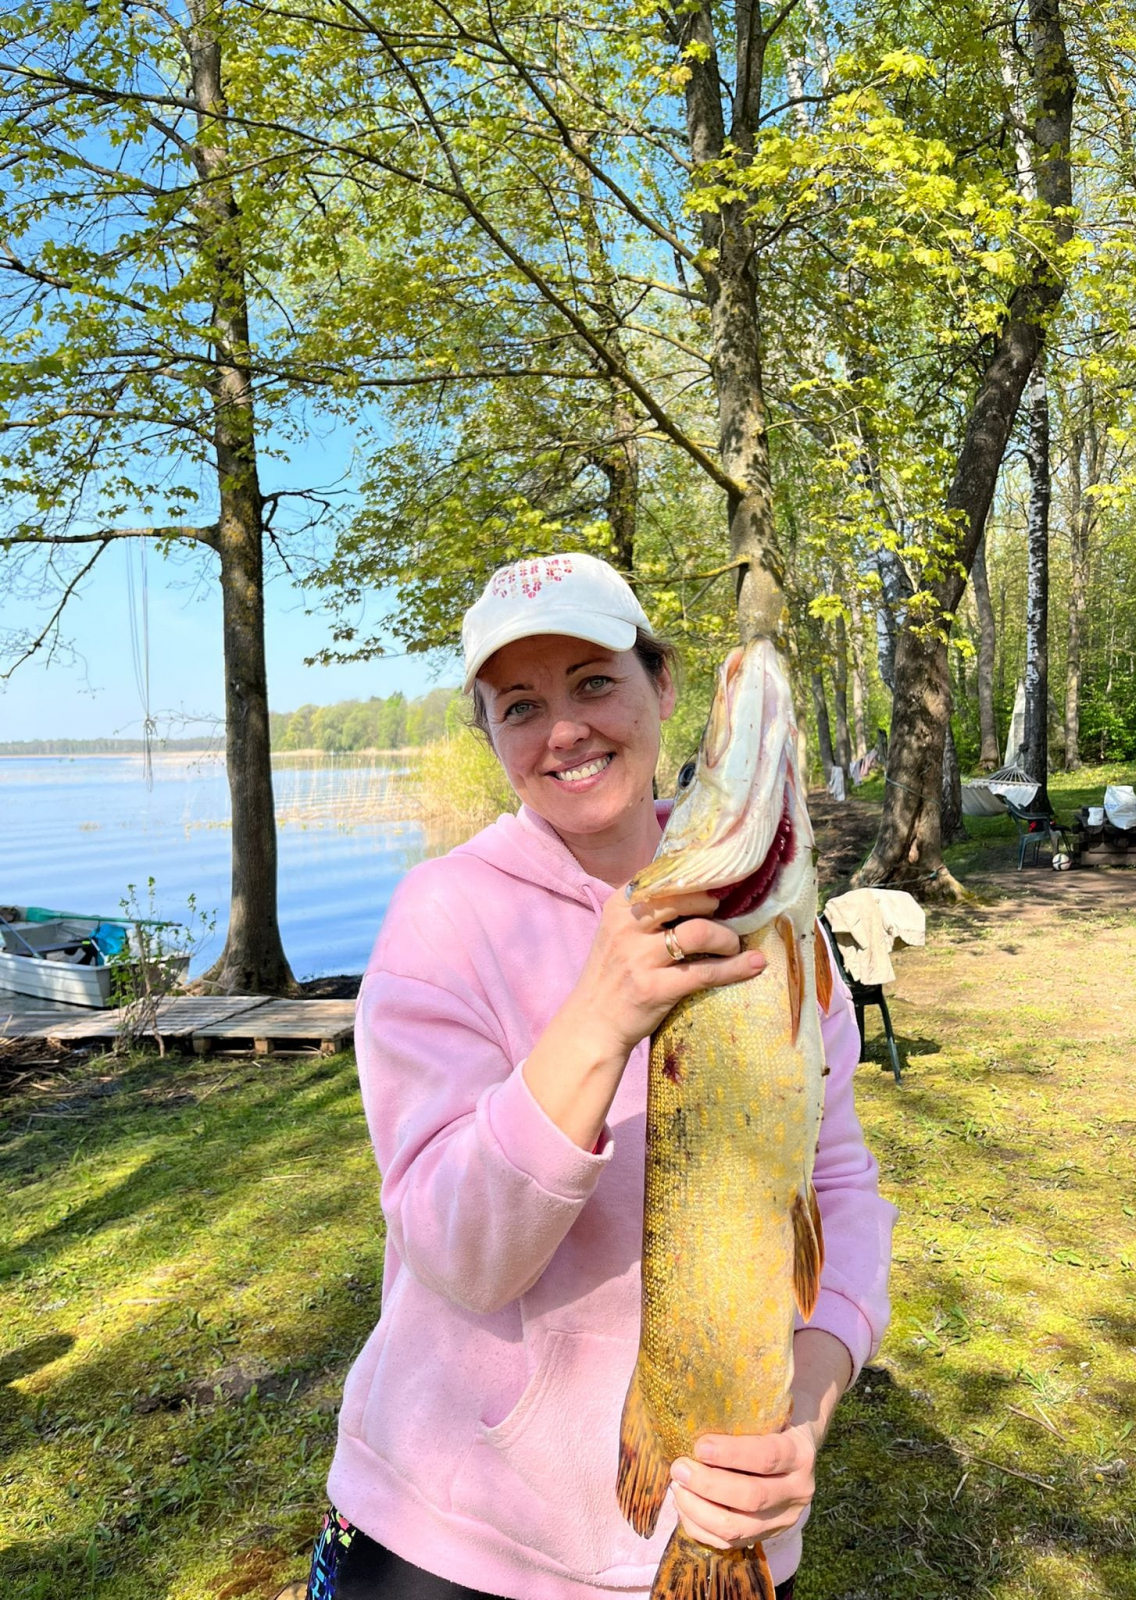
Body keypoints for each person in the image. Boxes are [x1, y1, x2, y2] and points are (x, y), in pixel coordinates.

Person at [305, 553, 897, 1600]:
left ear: (661, 687)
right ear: (488, 735)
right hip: (454, 1533)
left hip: (717, 1519)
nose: (564, 730)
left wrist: (801, 1410)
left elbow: (839, 1186)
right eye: (519, 704)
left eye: (592, 681)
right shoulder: (440, 917)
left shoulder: (776, 923)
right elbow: (455, 1251)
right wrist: (600, 1014)